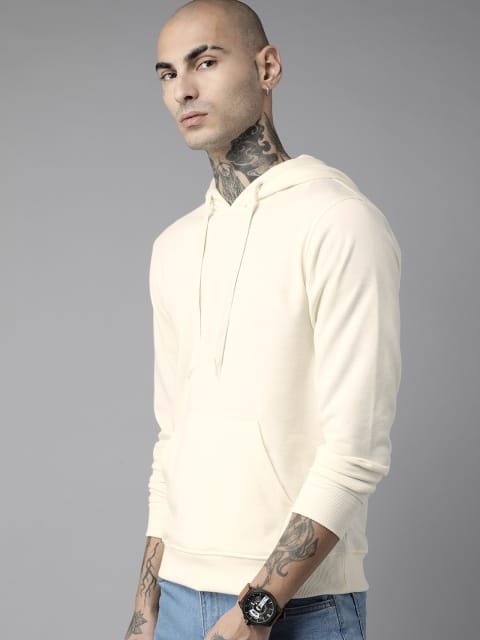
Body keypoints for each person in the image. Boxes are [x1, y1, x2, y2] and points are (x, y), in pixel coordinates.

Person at [124, 1, 402, 638]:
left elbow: (355, 453)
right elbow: (173, 440)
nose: (182, 89)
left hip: (297, 607)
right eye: (167, 74)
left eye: (205, 62)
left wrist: (259, 609)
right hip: (175, 599)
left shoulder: (339, 221)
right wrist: (144, 610)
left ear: (267, 67)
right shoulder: (172, 247)